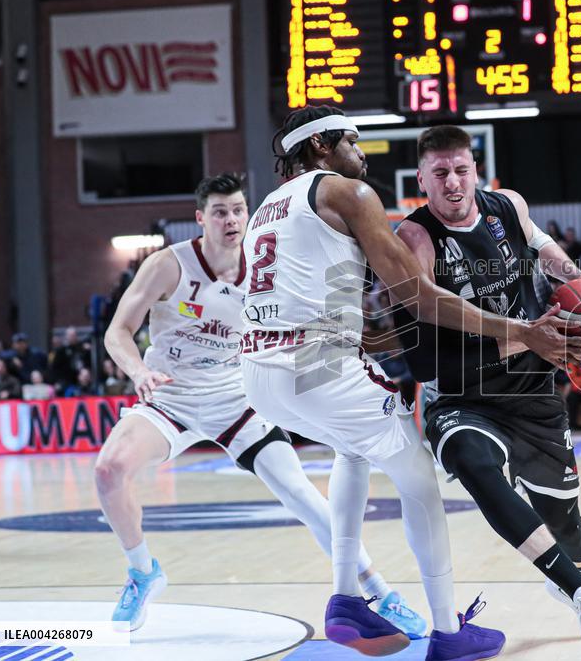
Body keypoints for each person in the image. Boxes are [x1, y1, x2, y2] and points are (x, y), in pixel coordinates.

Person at [238, 109, 581, 658]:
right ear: (323, 146)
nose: (363, 151)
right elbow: (418, 296)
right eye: (353, 141)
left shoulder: (266, 206)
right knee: (420, 480)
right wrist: (524, 330)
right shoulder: (347, 193)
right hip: (314, 367)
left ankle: (345, 599)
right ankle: (449, 632)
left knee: (354, 451)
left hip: (259, 372)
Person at [93, 174, 426, 639]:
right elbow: (117, 332)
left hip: (239, 397)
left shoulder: (267, 266)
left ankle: (382, 593)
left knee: (305, 498)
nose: (230, 220)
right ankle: (142, 571)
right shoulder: (169, 265)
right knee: (109, 471)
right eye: (219, 212)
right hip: (172, 395)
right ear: (200, 218)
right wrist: (138, 372)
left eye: (237, 210)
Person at [389, 123, 581, 647]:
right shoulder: (413, 240)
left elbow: (546, 251)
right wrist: (526, 335)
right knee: (476, 464)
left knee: (566, 522)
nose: (452, 183)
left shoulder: (507, 207)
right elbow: (428, 363)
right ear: (422, 180)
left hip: (530, 391)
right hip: (460, 393)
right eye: (440, 174)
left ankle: (580, 582)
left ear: (477, 171)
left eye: (461, 170)